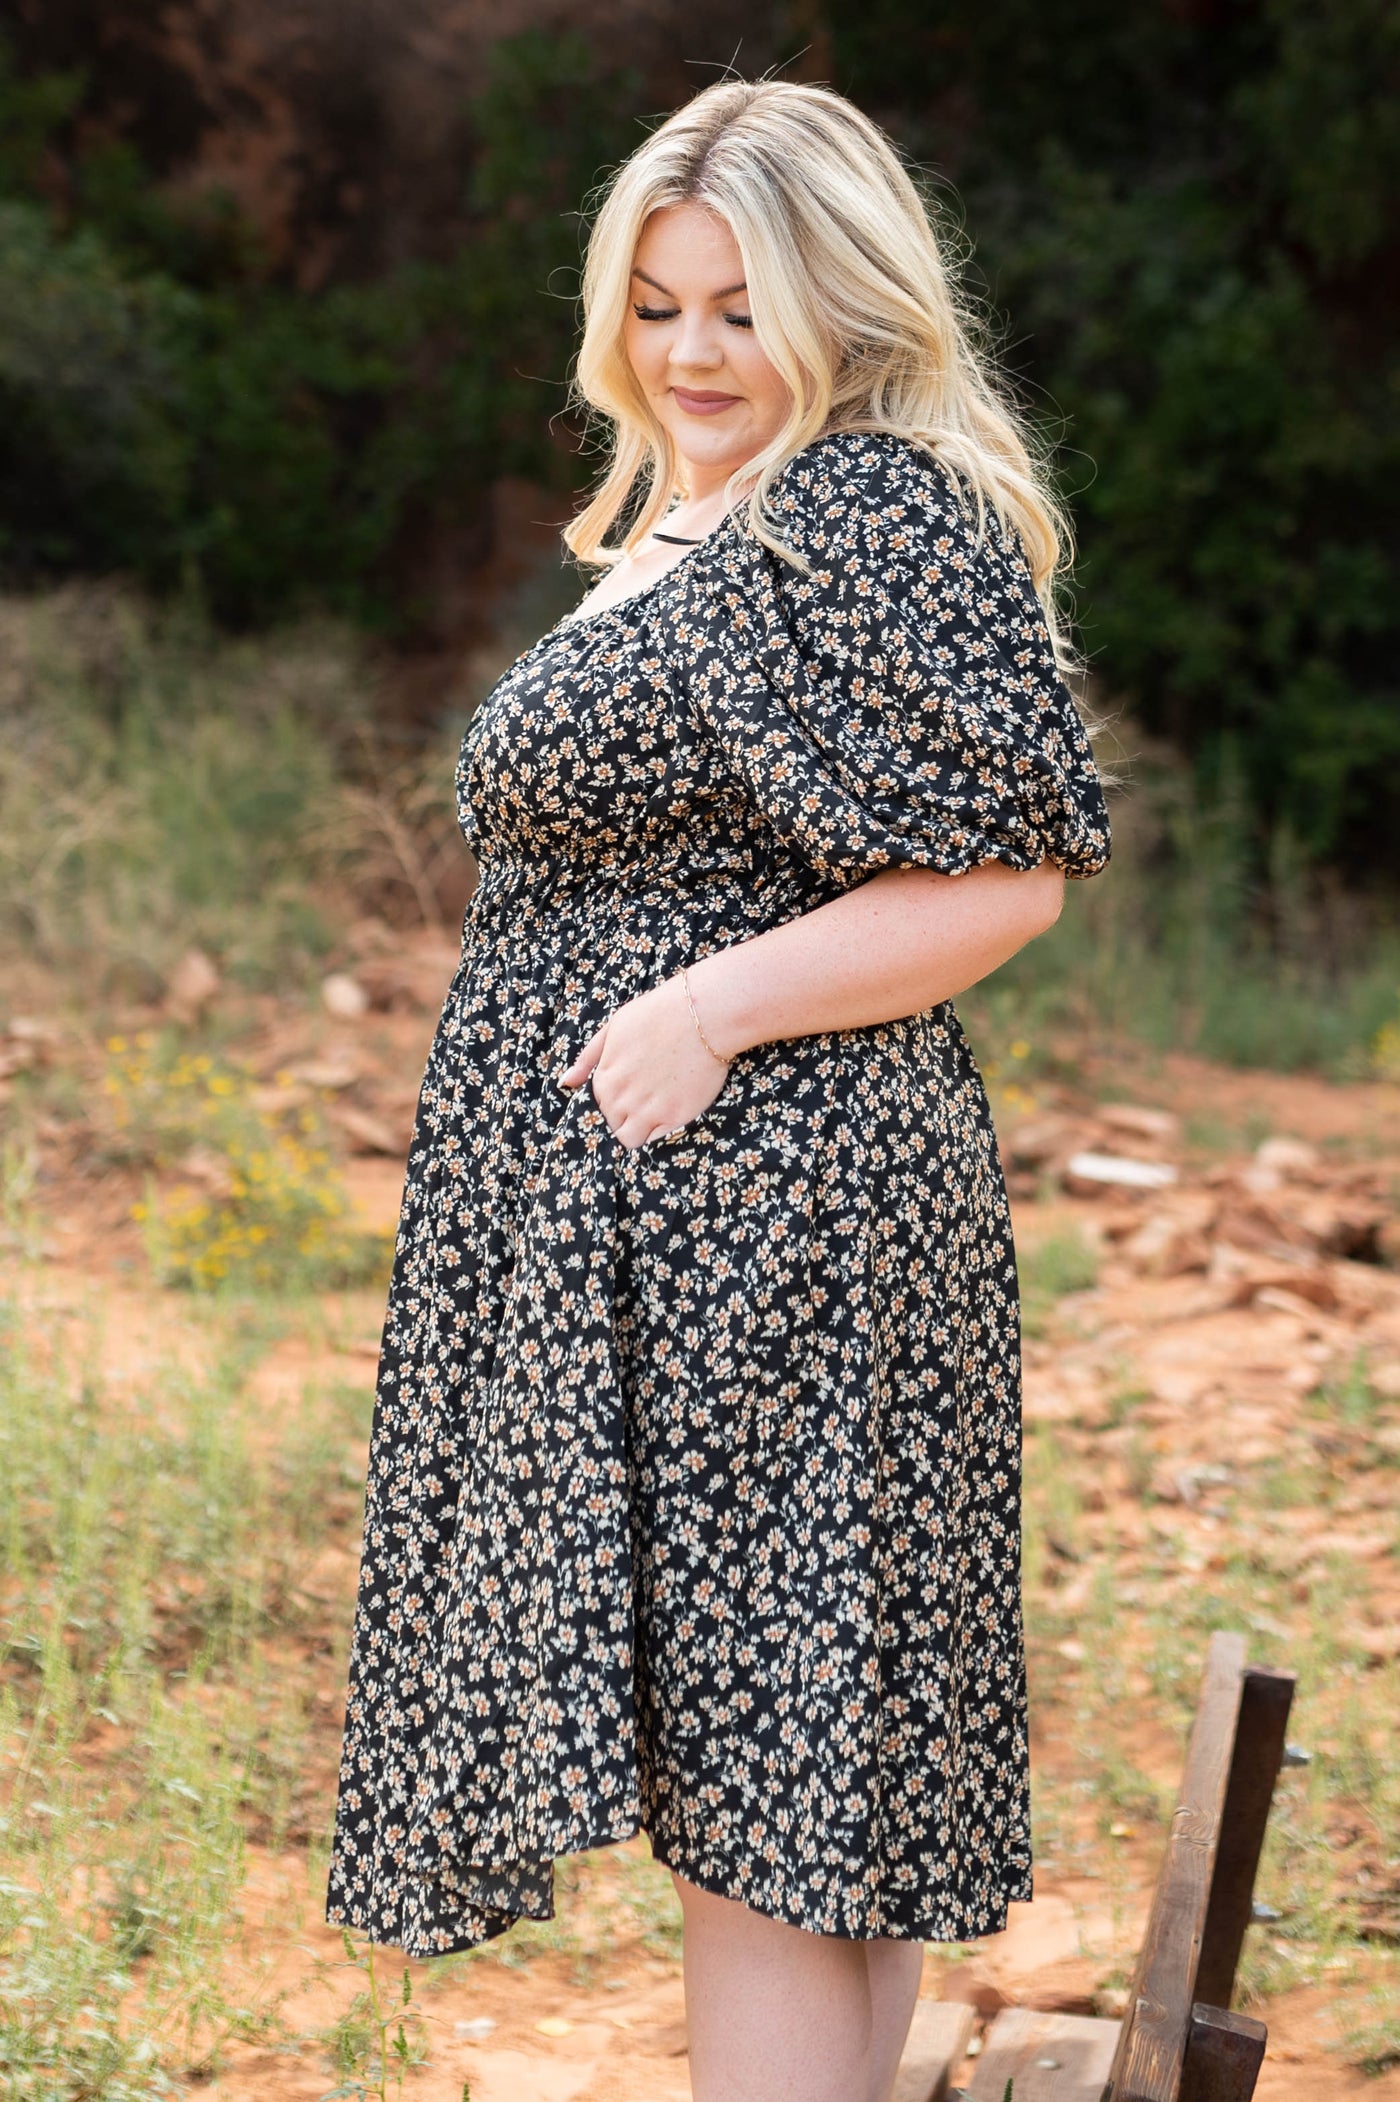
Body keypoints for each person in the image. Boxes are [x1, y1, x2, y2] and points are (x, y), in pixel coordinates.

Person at [326, 77, 1111, 2102]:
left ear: (842, 308)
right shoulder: (709, 517)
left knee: (770, 1824)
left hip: (772, 1226)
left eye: (740, 308)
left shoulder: (865, 508)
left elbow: (1005, 872)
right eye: (659, 305)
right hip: (700, 1226)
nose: (691, 353)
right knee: (799, 1813)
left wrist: (713, 1011)